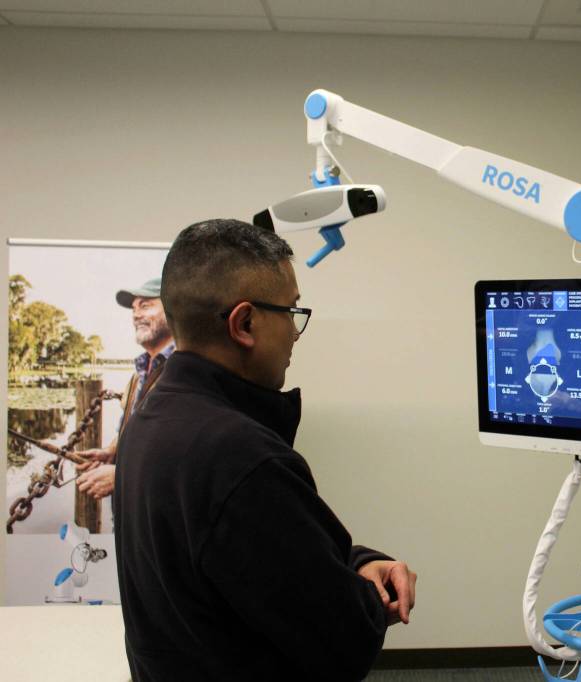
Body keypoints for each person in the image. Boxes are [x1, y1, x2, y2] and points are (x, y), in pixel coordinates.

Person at [113, 219, 416, 681]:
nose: (295, 333)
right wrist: (372, 596)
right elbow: (344, 639)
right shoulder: (241, 460)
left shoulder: (152, 419)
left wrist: (358, 562)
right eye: (291, 311)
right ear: (246, 323)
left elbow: (258, 560)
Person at [75, 277, 175, 500]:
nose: (136, 314)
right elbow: (135, 427)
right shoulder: (138, 373)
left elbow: (186, 453)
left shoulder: (187, 370)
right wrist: (112, 451)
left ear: (173, 309)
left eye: (145, 305)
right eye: (134, 308)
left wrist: (121, 476)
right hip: (131, 508)